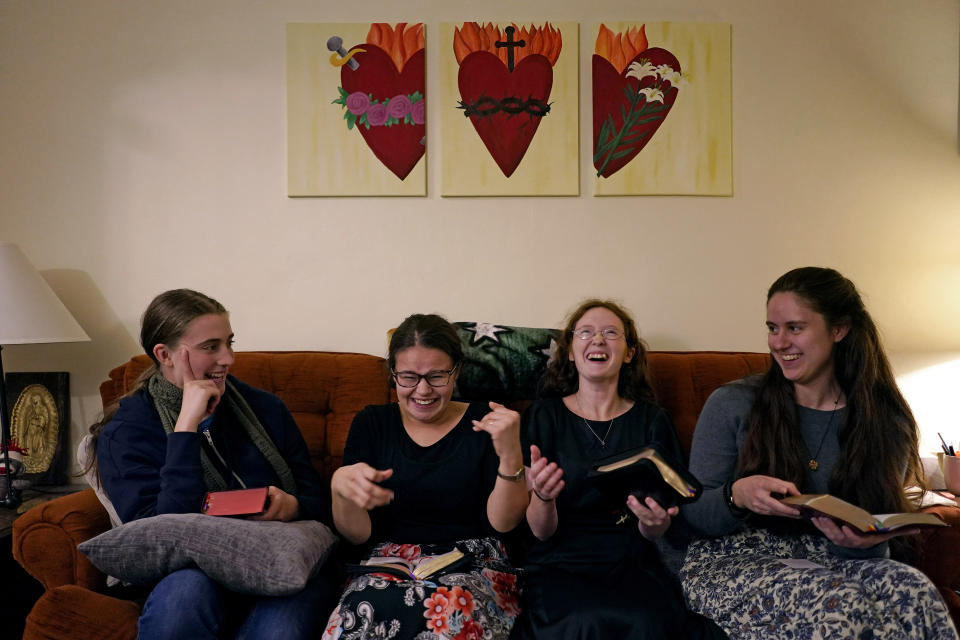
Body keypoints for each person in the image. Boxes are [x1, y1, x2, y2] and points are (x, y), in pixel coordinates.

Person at [681, 267, 958, 639]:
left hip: (830, 558)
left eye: (794, 328)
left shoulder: (884, 420)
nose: (778, 342)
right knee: (840, 603)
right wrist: (737, 495)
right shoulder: (732, 403)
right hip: (735, 560)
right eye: (772, 328)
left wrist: (865, 546)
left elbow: (879, 528)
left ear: (839, 330)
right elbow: (694, 514)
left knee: (914, 591)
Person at [93, 289, 336, 640]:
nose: (228, 359)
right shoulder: (127, 432)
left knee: (279, 630)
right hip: (191, 570)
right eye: (211, 347)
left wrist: (293, 506)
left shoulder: (264, 408)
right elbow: (159, 535)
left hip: (280, 557)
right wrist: (186, 428)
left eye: (229, 343)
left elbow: (319, 503)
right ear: (165, 354)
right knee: (180, 603)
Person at [515, 299, 725, 639]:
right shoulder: (543, 416)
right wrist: (543, 496)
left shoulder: (652, 420)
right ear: (570, 351)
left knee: (644, 622)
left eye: (611, 333)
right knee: (581, 621)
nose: (597, 340)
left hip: (633, 558)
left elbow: (659, 526)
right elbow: (540, 532)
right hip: (560, 558)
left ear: (628, 353)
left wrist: (655, 524)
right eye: (585, 332)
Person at [322, 313, 529, 640]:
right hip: (387, 564)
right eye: (408, 377)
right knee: (360, 618)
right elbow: (358, 535)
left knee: (448, 611)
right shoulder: (372, 423)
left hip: (472, 563)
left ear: (457, 371)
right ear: (393, 375)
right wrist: (341, 489)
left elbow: (503, 524)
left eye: (436, 376)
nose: (422, 390)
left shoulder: (487, 421)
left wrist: (511, 455)